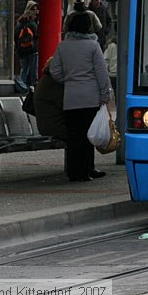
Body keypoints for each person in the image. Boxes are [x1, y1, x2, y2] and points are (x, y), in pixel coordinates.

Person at [50, 12, 112, 182]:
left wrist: (69, 80)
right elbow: (101, 71)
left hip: (71, 97)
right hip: (90, 96)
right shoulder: (93, 46)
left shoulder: (63, 46)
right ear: (87, 27)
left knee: (74, 136)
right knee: (88, 135)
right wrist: (105, 93)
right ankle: (87, 169)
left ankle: (74, 171)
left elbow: (54, 70)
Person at [14, 0, 39, 92]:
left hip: (22, 50)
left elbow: (16, 36)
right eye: (34, 9)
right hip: (32, 50)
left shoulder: (20, 22)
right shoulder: (32, 23)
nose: (36, 12)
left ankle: (22, 86)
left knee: (24, 68)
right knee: (33, 70)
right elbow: (37, 36)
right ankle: (33, 87)